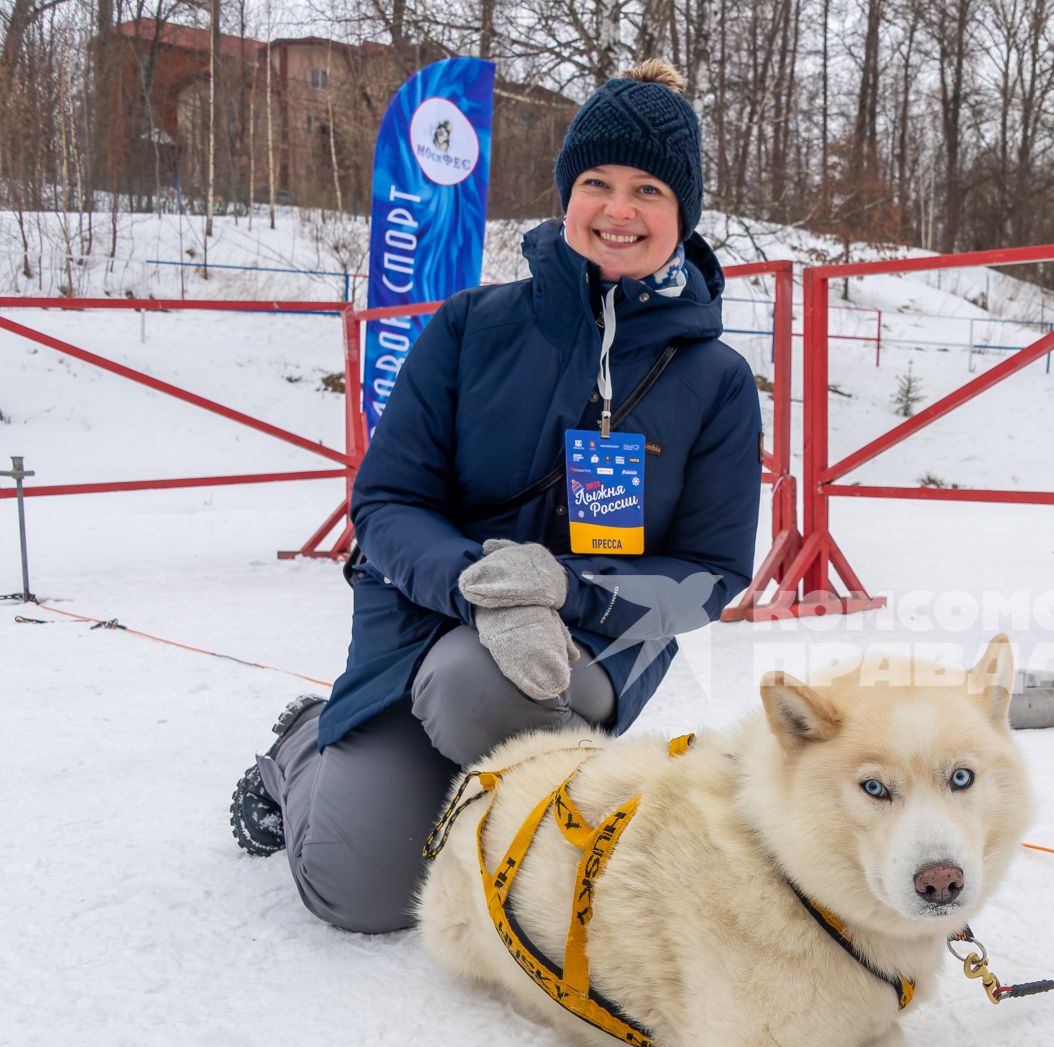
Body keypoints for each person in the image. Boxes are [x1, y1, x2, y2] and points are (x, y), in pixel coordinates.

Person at [227, 61, 763, 933]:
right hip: (422, 620)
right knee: (360, 895)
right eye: (597, 182)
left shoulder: (717, 381)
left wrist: (566, 591)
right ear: (566, 195)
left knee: (481, 682)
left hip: (588, 647)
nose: (618, 210)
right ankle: (305, 743)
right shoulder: (473, 326)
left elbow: (708, 571)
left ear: (683, 215)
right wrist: (478, 580)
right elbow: (389, 501)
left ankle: (516, 812)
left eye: (648, 190)